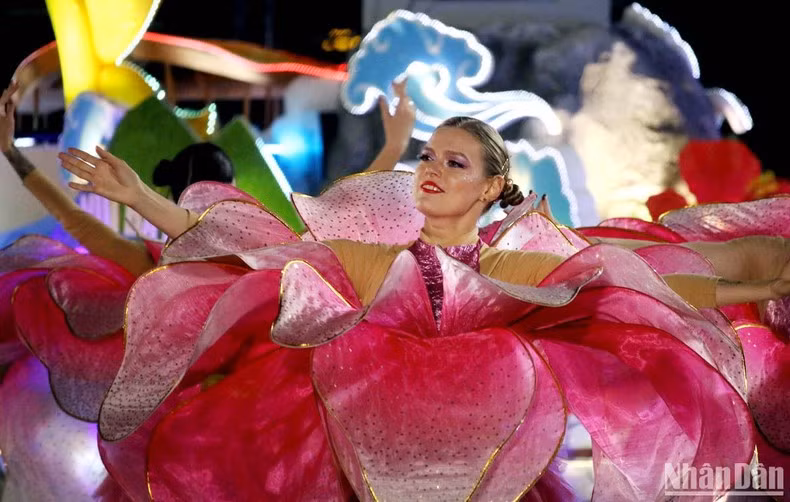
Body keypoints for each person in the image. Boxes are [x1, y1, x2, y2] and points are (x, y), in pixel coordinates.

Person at [55, 113, 790, 500]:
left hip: (479, 458)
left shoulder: (517, 261)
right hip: (365, 449)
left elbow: (652, 279)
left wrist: (760, 287)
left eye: (455, 162)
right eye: (429, 157)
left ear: (493, 188)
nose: (433, 170)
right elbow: (251, 241)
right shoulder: (378, 256)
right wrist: (142, 199)